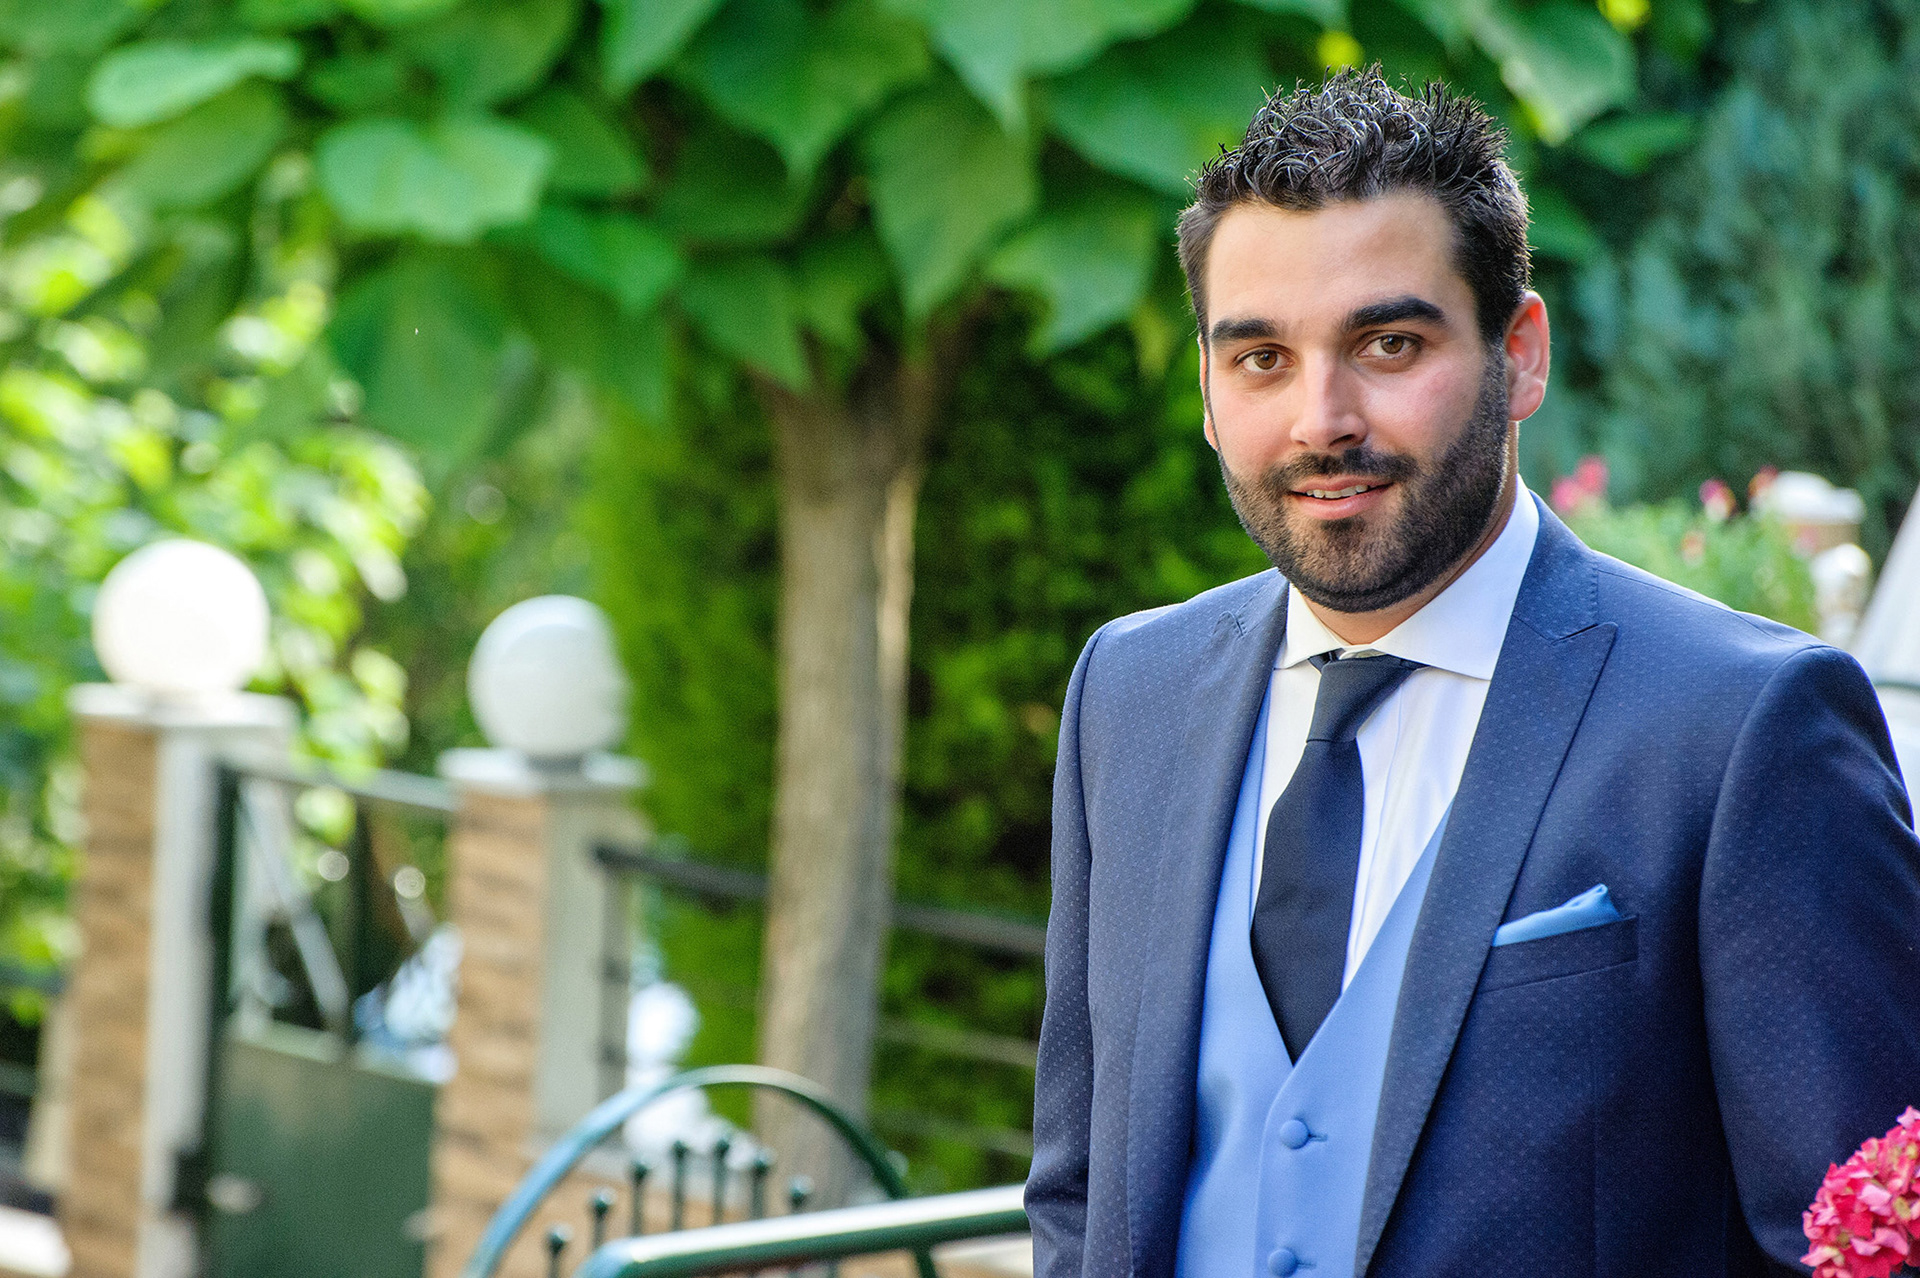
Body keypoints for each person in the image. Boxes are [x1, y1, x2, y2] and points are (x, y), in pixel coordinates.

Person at [1025, 68, 1920, 1278]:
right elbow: (1081, 1195)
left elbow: (1853, 1242)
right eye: (1261, 359)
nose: (1321, 418)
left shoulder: (1745, 727)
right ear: (1206, 388)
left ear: (1523, 353)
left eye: (1388, 343)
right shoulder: (1128, 692)